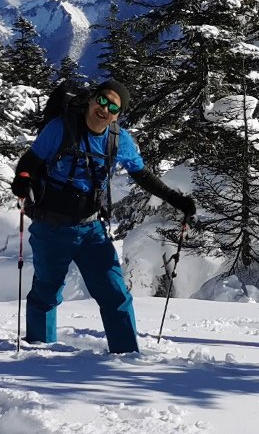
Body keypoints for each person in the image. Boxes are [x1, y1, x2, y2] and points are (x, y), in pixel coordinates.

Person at [12, 78, 196, 354]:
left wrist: (175, 199)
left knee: (115, 293)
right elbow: (31, 160)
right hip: (51, 225)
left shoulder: (118, 139)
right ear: (91, 99)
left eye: (113, 106)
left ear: (117, 115)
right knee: (46, 294)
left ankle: (126, 356)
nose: (105, 109)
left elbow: (141, 175)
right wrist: (23, 179)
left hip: (90, 230)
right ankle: (39, 356)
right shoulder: (60, 128)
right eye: (102, 100)